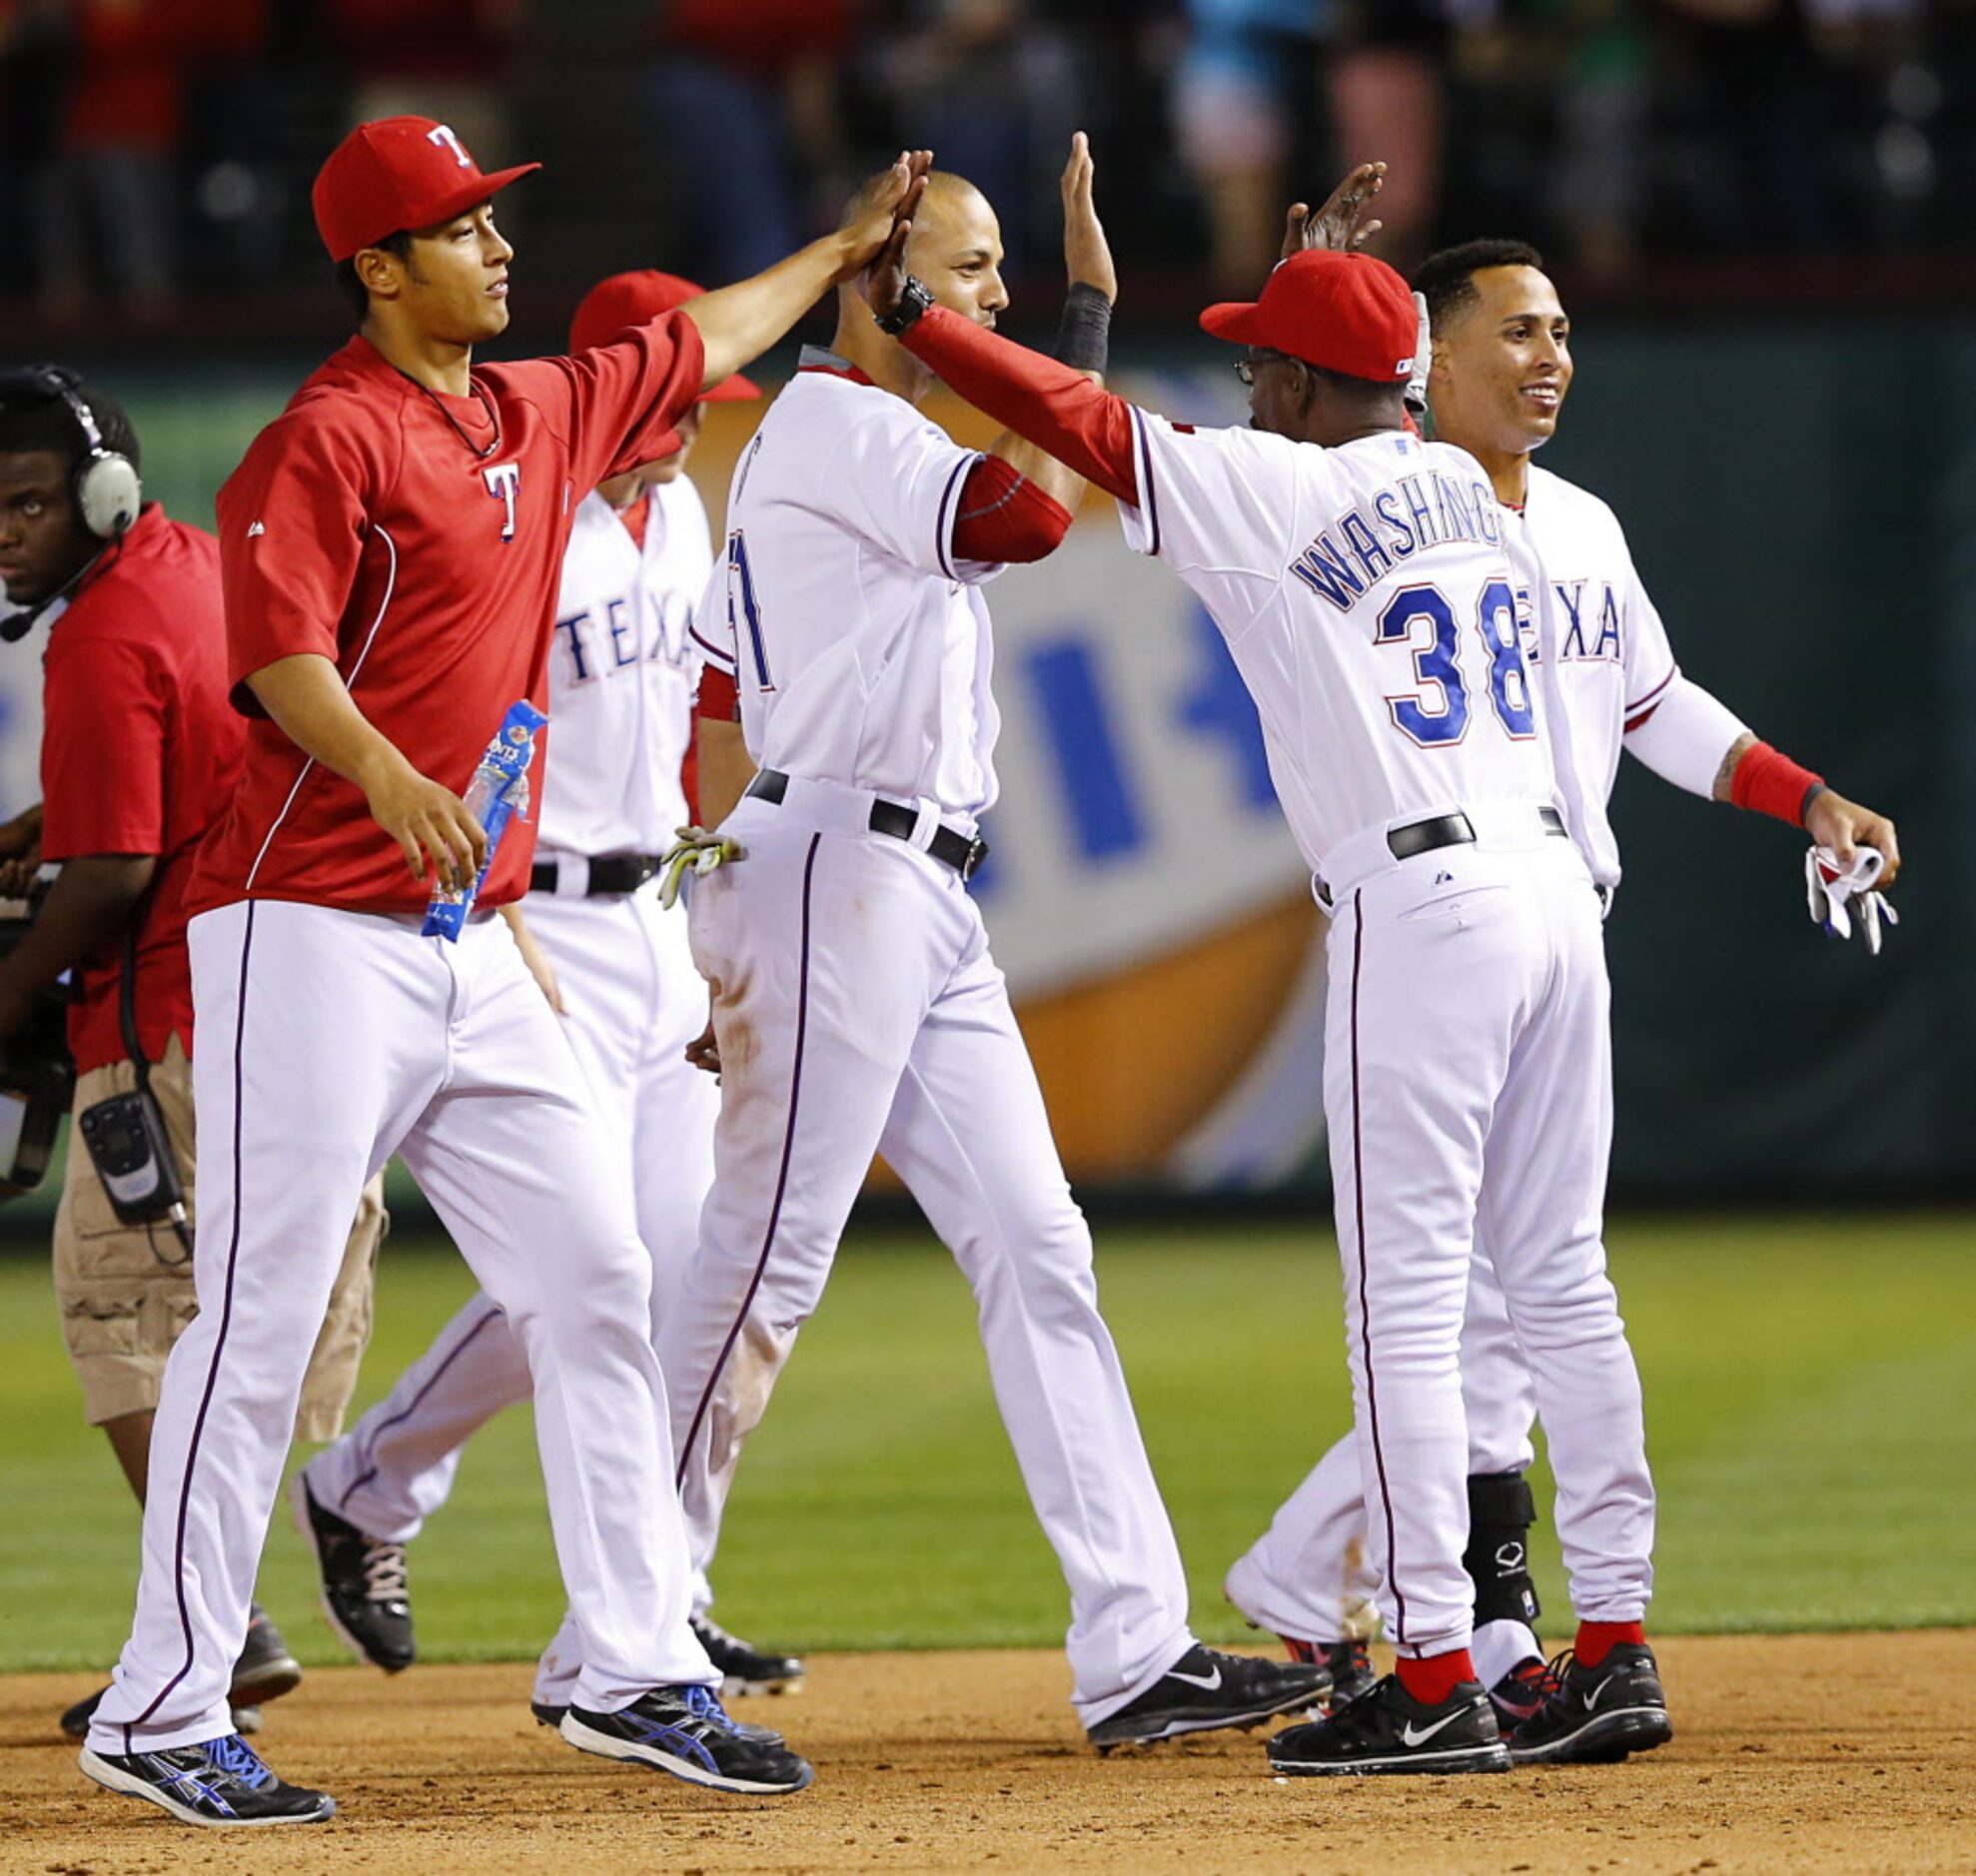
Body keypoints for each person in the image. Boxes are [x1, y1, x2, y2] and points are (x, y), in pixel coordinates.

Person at [75, 116, 929, 1829]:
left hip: (467, 946)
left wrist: (838, 254)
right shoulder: (322, 438)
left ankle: (629, 1662)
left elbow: (703, 336)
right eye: (461, 227)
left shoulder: (535, 407)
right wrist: (389, 772)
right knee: (254, 1316)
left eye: (494, 219)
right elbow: (282, 654)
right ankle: (158, 1706)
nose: (497, 245)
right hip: (303, 927)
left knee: (600, 1279)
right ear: (380, 266)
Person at [862, 161, 1669, 1778]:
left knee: (1406, 1313)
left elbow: (1085, 432)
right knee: (1562, 1284)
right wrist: (1323, 303)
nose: (1241, 382)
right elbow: (1330, 401)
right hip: (1550, 903)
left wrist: (914, 321)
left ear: (1304, 384)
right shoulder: (1465, 486)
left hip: (1421, 907)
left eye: (1259, 361)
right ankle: (1616, 1645)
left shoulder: (1276, 483)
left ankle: (1433, 1671)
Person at [660, 134, 1331, 1751]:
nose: (998, 290)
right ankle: (627, 1623)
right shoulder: (834, 423)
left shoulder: (872, 434)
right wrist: (1079, 342)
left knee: (1040, 1252)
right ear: (885, 276)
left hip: (906, 889)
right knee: (765, 1263)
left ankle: (1134, 1647)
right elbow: (1031, 524)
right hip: (837, 869)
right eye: (968, 268)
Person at [1221, 234, 1902, 1757]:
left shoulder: (1578, 522)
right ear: (1425, 360)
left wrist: (1800, 795)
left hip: (1526, 930)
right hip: (1481, 920)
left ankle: (1478, 1644)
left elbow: (1657, 706)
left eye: (1563, 330)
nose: (1548, 357)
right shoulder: (1382, 511)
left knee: (1485, 1313)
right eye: (1513, 330)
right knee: (1491, 1318)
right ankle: (1523, 1633)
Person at [292, 267, 801, 1708]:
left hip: (647, 916)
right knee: (597, 1270)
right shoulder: (525, 522)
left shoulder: (677, 511)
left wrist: (698, 924)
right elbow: (461, 737)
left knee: (662, 1273)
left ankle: (390, 1493)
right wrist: (489, 921)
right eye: (679, 394)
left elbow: (688, 726)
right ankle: (395, 1487)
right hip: (534, 925)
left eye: (704, 399)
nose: (693, 418)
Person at [0, 367, 386, 1742]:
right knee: (208, 1319)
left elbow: (110, 870)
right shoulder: (203, 569)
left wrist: (4, 991)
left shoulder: (96, 631)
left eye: (31, 502)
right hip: (280, 994)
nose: (7, 533)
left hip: (167, 1011)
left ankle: (210, 1627)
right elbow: (161, 775)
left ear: (104, 491)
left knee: (122, 1319)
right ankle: (218, 1619)